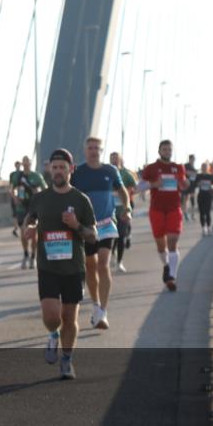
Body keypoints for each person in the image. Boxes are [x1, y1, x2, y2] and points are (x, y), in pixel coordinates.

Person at [23, 148, 97, 380]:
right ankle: (53, 334)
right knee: (52, 316)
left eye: (62, 168)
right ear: (49, 170)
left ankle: (66, 359)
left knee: (70, 317)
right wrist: (28, 229)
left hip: (73, 268)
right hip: (48, 267)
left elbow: (93, 235)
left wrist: (76, 225)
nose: (57, 171)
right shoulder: (40, 198)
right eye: (54, 167)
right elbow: (29, 219)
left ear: (70, 170)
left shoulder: (80, 200)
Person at [70, 138, 130, 330]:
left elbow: (123, 192)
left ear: (101, 150)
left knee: (103, 264)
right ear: (85, 150)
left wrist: (126, 208)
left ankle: (103, 311)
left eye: (97, 148)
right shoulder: (77, 172)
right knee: (90, 265)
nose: (94, 151)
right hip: (86, 227)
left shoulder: (110, 171)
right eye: (90, 148)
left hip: (106, 224)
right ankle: (96, 305)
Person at [138, 140, 190, 291]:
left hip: (174, 209)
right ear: (159, 151)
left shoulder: (178, 167)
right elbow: (139, 187)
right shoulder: (151, 168)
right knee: (161, 246)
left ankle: (172, 277)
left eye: (169, 149)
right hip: (157, 210)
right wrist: (153, 184)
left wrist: (185, 184)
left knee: (173, 242)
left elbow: (184, 184)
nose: (167, 152)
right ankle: (166, 266)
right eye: (165, 149)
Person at [13, 156, 48, 269]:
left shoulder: (36, 176)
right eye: (25, 162)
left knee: (33, 234)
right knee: (23, 232)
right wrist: (15, 197)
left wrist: (38, 192)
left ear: (31, 163)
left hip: (34, 208)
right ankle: (25, 254)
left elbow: (45, 189)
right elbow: (11, 188)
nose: (26, 164)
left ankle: (33, 256)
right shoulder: (17, 176)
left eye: (28, 162)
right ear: (22, 164)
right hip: (21, 208)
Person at [108, 152, 137, 272]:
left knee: (121, 236)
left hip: (122, 210)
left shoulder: (126, 173)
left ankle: (119, 262)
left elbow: (134, 186)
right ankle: (112, 254)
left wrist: (126, 193)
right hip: (108, 211)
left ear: (120, 160)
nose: (114, 161)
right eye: (112, 159)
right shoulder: (106, 172)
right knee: (111, 237)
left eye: (116, 159)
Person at [192, 161, 213, 236]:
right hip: (201, 195)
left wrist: (211, 187)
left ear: (208, 168)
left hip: (208, 195)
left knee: (208, 212)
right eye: (203, 167)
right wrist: (198, 184)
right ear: (201, 168)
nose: (204, 168)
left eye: (205, 167)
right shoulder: (199, 176)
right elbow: (194, 185)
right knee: (202, 212)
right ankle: (203, 228)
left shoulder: (210, 176)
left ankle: (209, 228)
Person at [8, 160, 23, 237]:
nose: (18, 166)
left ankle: (18, 228)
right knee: (15, 213)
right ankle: (16, 228)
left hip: (20, 194)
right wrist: (13, 196)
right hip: (15, 194)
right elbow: (11, 186)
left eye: (19, 165)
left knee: (19, 212)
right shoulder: (12, 174)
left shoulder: (22, 173)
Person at [182, 154, 197, 221]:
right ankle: (185, 214)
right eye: (192, 159)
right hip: (186, 185)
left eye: (194, 159)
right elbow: (184, 173)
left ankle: (192, 214)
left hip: (192, 185)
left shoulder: (194, 167)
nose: (193, 160)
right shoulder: (186, 165)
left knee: (192, 200)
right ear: (190, 159)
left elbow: (195, 175)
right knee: (185, 199)